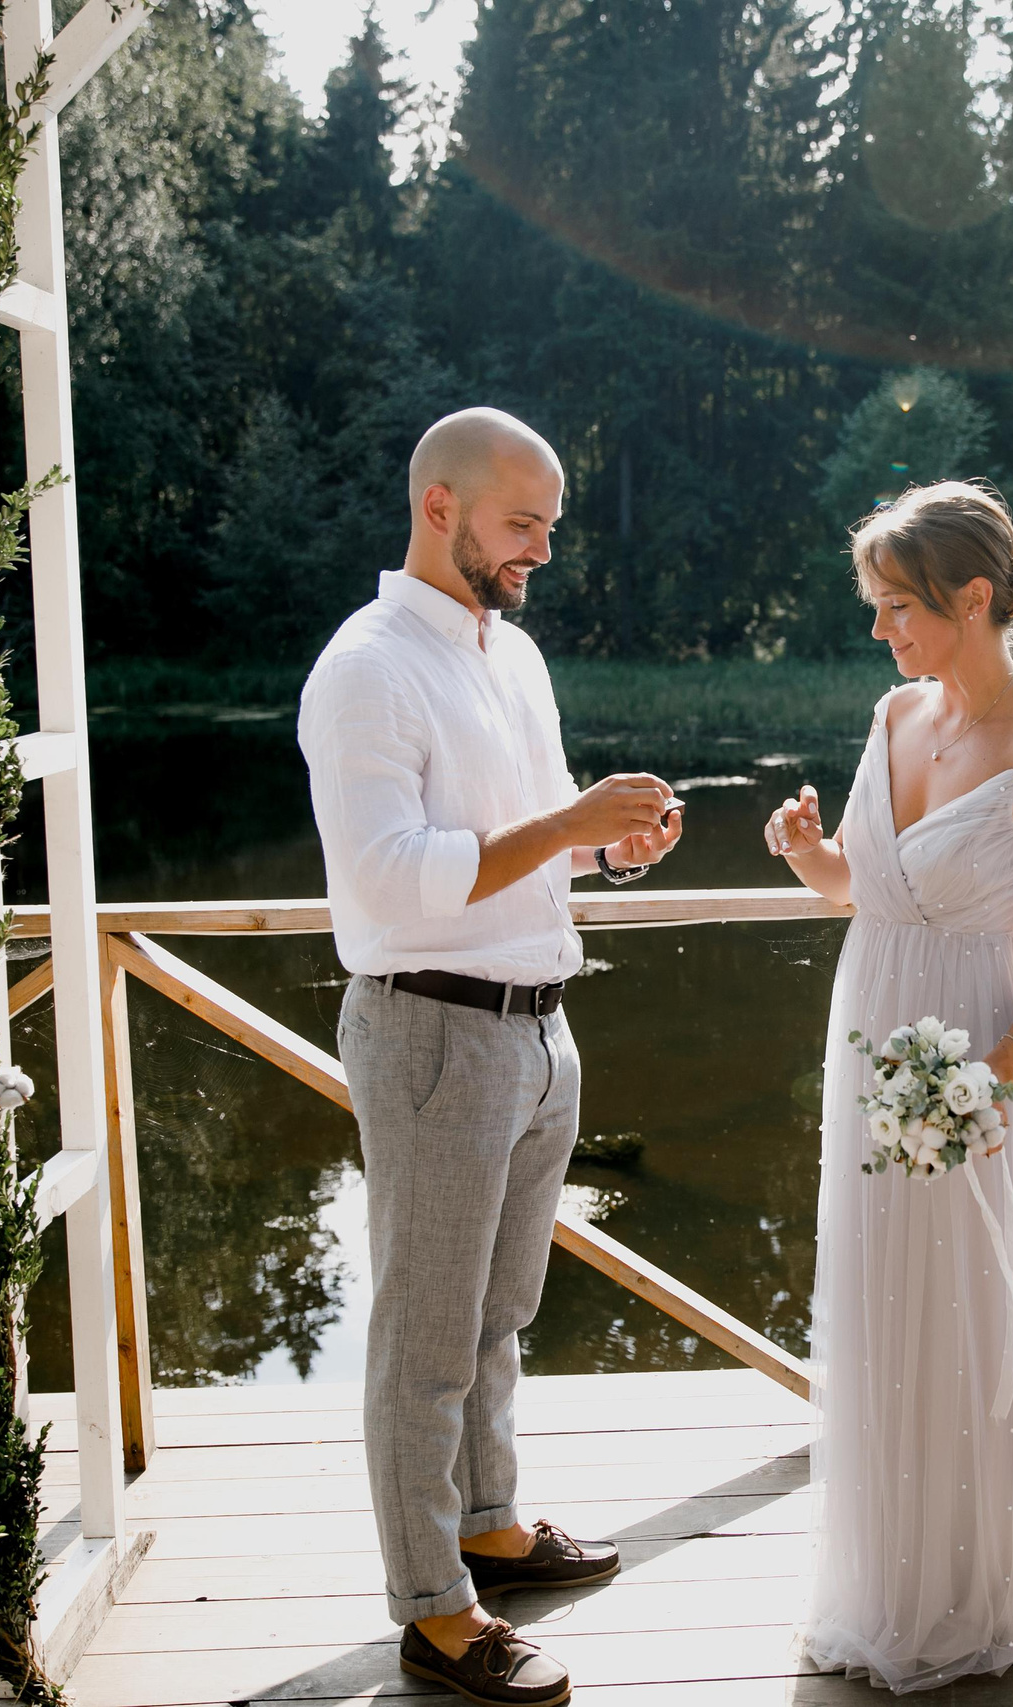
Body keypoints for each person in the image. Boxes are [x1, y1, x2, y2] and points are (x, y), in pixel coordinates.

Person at [299, 407, 687, 1707]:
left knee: (500, 1312)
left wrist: (607, 837)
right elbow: (390, 882)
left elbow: (531, 828)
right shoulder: (365, 667)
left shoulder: (511, 657)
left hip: (537, 1029)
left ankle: (487, 1521)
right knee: (425, 1336)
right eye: (524, 525)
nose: (541, 551)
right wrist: (567, 820)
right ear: (440, 506)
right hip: (430, 1028)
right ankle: (434, 1609)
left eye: (550, 529)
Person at [764, 481, 1013, 1692]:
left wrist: (988, 1081)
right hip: (869, 1047)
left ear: (972, 599)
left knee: (967, 1316)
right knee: (875, 1306)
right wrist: (815, 861)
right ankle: (882, 1584)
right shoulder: (893, 713)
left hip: (980, 1062)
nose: (879, 630)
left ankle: (975, 1593)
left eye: (896, 605)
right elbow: (870, 886)